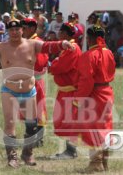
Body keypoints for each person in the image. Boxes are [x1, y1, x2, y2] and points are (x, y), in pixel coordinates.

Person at [0, 19, 74, 168]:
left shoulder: (32, 44)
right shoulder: (1, 46)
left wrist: (62, 44)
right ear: (8, 32)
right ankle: (12, 158)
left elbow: (48, 47)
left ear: (22, 30)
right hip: (9, 90)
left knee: (32, 125)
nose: (14, 32)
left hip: (29, 90)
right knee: (10, 124)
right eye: (11, 30)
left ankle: (27, 153)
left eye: (17, 29)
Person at [74, 25, 115, 172]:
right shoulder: (109, 52)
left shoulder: (89, 55)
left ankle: (95, 164)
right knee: (106, 127)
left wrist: (79, 98)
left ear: (89, 38)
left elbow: (86, 80)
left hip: (94, 94)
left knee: (93, 128)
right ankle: (104, 161)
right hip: (107, 92)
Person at [50, 22, 82, 159]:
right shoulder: (68, 48)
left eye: (60, 32)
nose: (58, 34)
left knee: (70, 121)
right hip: (65, 90)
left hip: (70, 91)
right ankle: (68, 151)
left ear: (64, 34)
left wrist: (54, 63)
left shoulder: (72, 48)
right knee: (64, 120)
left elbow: (60, 66)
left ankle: (71, 151)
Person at [21, 18, 49, 147]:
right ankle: (30, 136)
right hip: (24, 81)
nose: (22, 30)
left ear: (32, 28)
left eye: (24, 28)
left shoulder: (38, 43)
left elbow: (41, 63)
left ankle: (38, 139)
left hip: (35, 81)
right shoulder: (24, 42)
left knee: (38, 110)